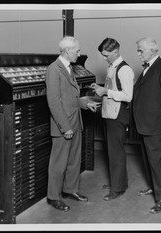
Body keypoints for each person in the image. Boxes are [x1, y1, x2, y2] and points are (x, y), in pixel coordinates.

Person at [45, 36, 98, 211]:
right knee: (58, 163)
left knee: (74, 160)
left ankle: (71, 189)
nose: (79, 53)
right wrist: (65, 127)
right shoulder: (54, 69)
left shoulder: (69, 68)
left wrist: (84, 103)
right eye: (77, 50)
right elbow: (54, 101)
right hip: (64, 125)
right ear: (67, 50)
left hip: (76, 121)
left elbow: (71, 97)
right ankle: (54, 196)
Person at [132, 37, 161, 214]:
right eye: (138, 50)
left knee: (156, 161)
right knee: (147, 159)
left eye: (140, 50)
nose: (138, 54)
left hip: (154, 124)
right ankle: (153, 187)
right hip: (144, 123)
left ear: (152, 51)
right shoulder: (148, 69)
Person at [90, 38, 134, 201]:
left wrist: (106, 92)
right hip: (110, 113)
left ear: (116, 52)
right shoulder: (112, 66)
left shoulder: (125, 70)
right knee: (112, 151)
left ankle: (117, 188)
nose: (104, 58)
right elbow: (112, 89)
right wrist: (100, 89)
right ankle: (119, 182)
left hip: (118, 115)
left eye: (106, 55)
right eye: (102, 55)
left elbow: (128, 96)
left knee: (116, 152)